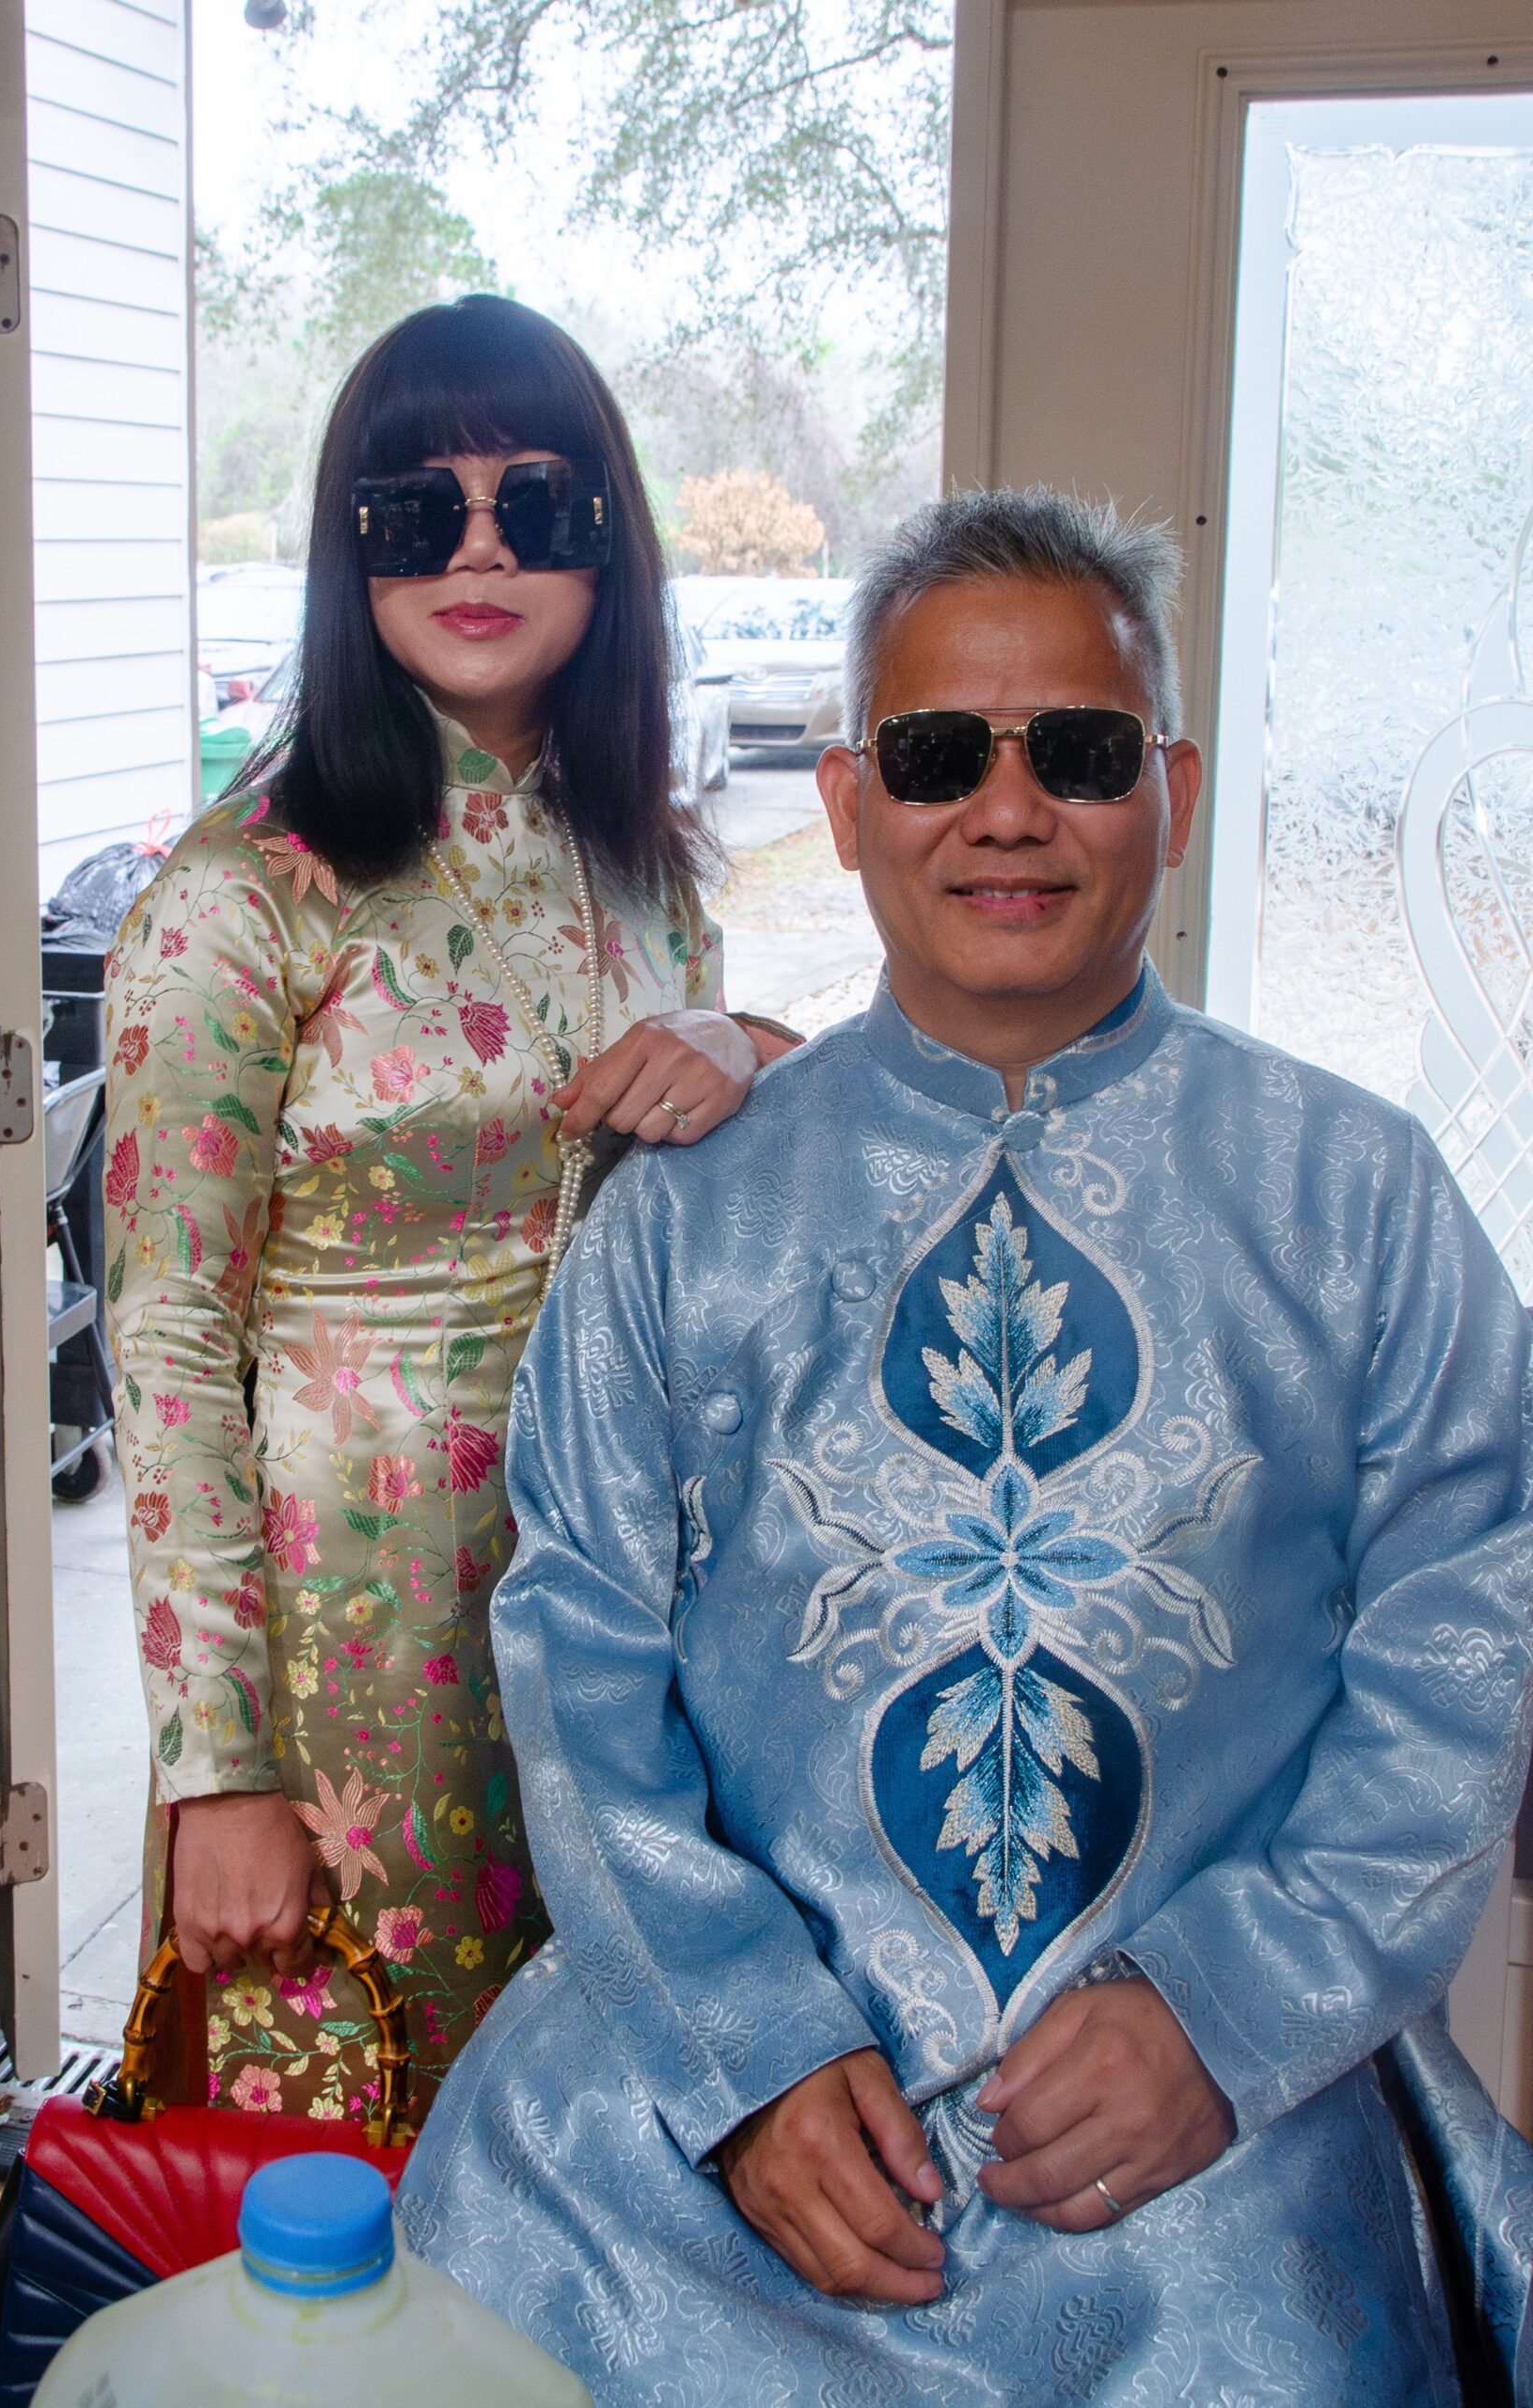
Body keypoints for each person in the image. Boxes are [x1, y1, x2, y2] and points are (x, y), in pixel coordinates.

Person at [399, 485, 1533, 2400]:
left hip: (1203, 2121)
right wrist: (747, 2056)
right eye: (938, 756)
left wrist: (1225, 2009)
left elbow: (1464, 1636)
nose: (1007, 813)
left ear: (1169, 789)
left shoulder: (1359, 1199)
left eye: (1076, 753)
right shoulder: (685, 1216)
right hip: (714, 2118)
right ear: (849, 804)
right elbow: (576, 1650)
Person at [103, 293, 793, 2121]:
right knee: (344, 2165)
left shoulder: (645, 870)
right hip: (347, 1651)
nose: (479, 548)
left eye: (535, 502)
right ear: (351, 555)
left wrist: (748, 1044)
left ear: (609, 545)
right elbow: (164, 1336)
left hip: (614, 1621)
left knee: (590, 2148)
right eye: (418, 509)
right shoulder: (244, 891)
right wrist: (218, 1766)